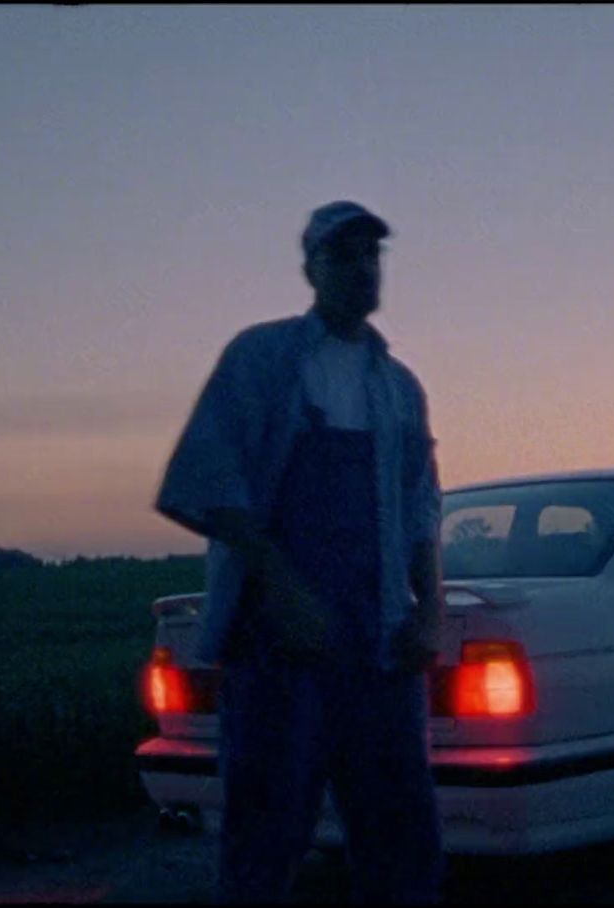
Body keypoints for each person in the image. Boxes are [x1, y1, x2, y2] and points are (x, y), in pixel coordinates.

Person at [155, 200, 445, 904]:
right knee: (264, 841)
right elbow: (211, 480)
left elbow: (420, 510)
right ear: (309, 269)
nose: (361, 267)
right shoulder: (262, 358)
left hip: (377, 649)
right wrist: (282, 588)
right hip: (275, 650)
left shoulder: (398, 387)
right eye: (343, 254)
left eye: (371, 253)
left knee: (403, 841)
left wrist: (429, 609)